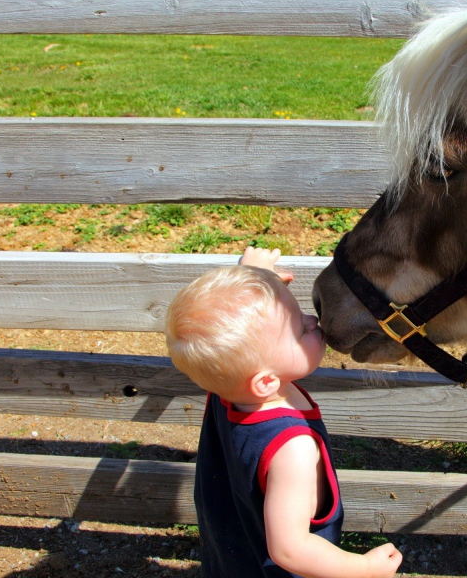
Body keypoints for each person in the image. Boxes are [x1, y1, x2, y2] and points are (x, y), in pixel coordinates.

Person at [165, 246, 403, 578]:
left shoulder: (229, 386)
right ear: (265, 382)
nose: (312, 320)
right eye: (299, 329)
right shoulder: (292, 449)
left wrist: (257, 277)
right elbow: (289, 548)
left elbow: (238, 337)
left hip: (231, 557)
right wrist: (362, 568)